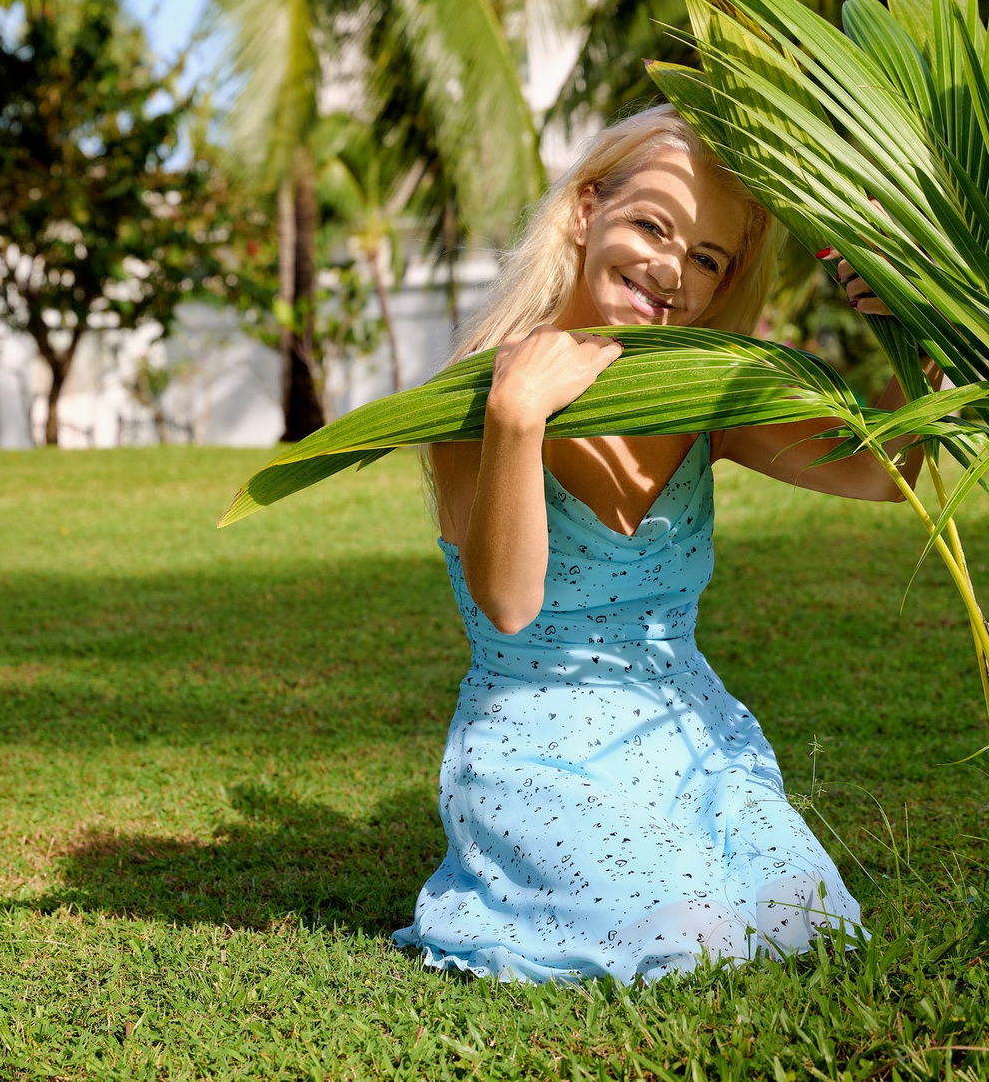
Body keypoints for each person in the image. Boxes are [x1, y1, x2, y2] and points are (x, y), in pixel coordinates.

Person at [393, 104, 927, 984]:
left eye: (708, 258)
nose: (672, 270)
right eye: (652, 225)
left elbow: (880, 472)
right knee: (694, 940)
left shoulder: (701, 392)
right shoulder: (480, 393)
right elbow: (509, 603)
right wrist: (517, 418)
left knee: (809, 928)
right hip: (539, 747)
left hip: (689, 733)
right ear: (585, 210)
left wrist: (907, 323)